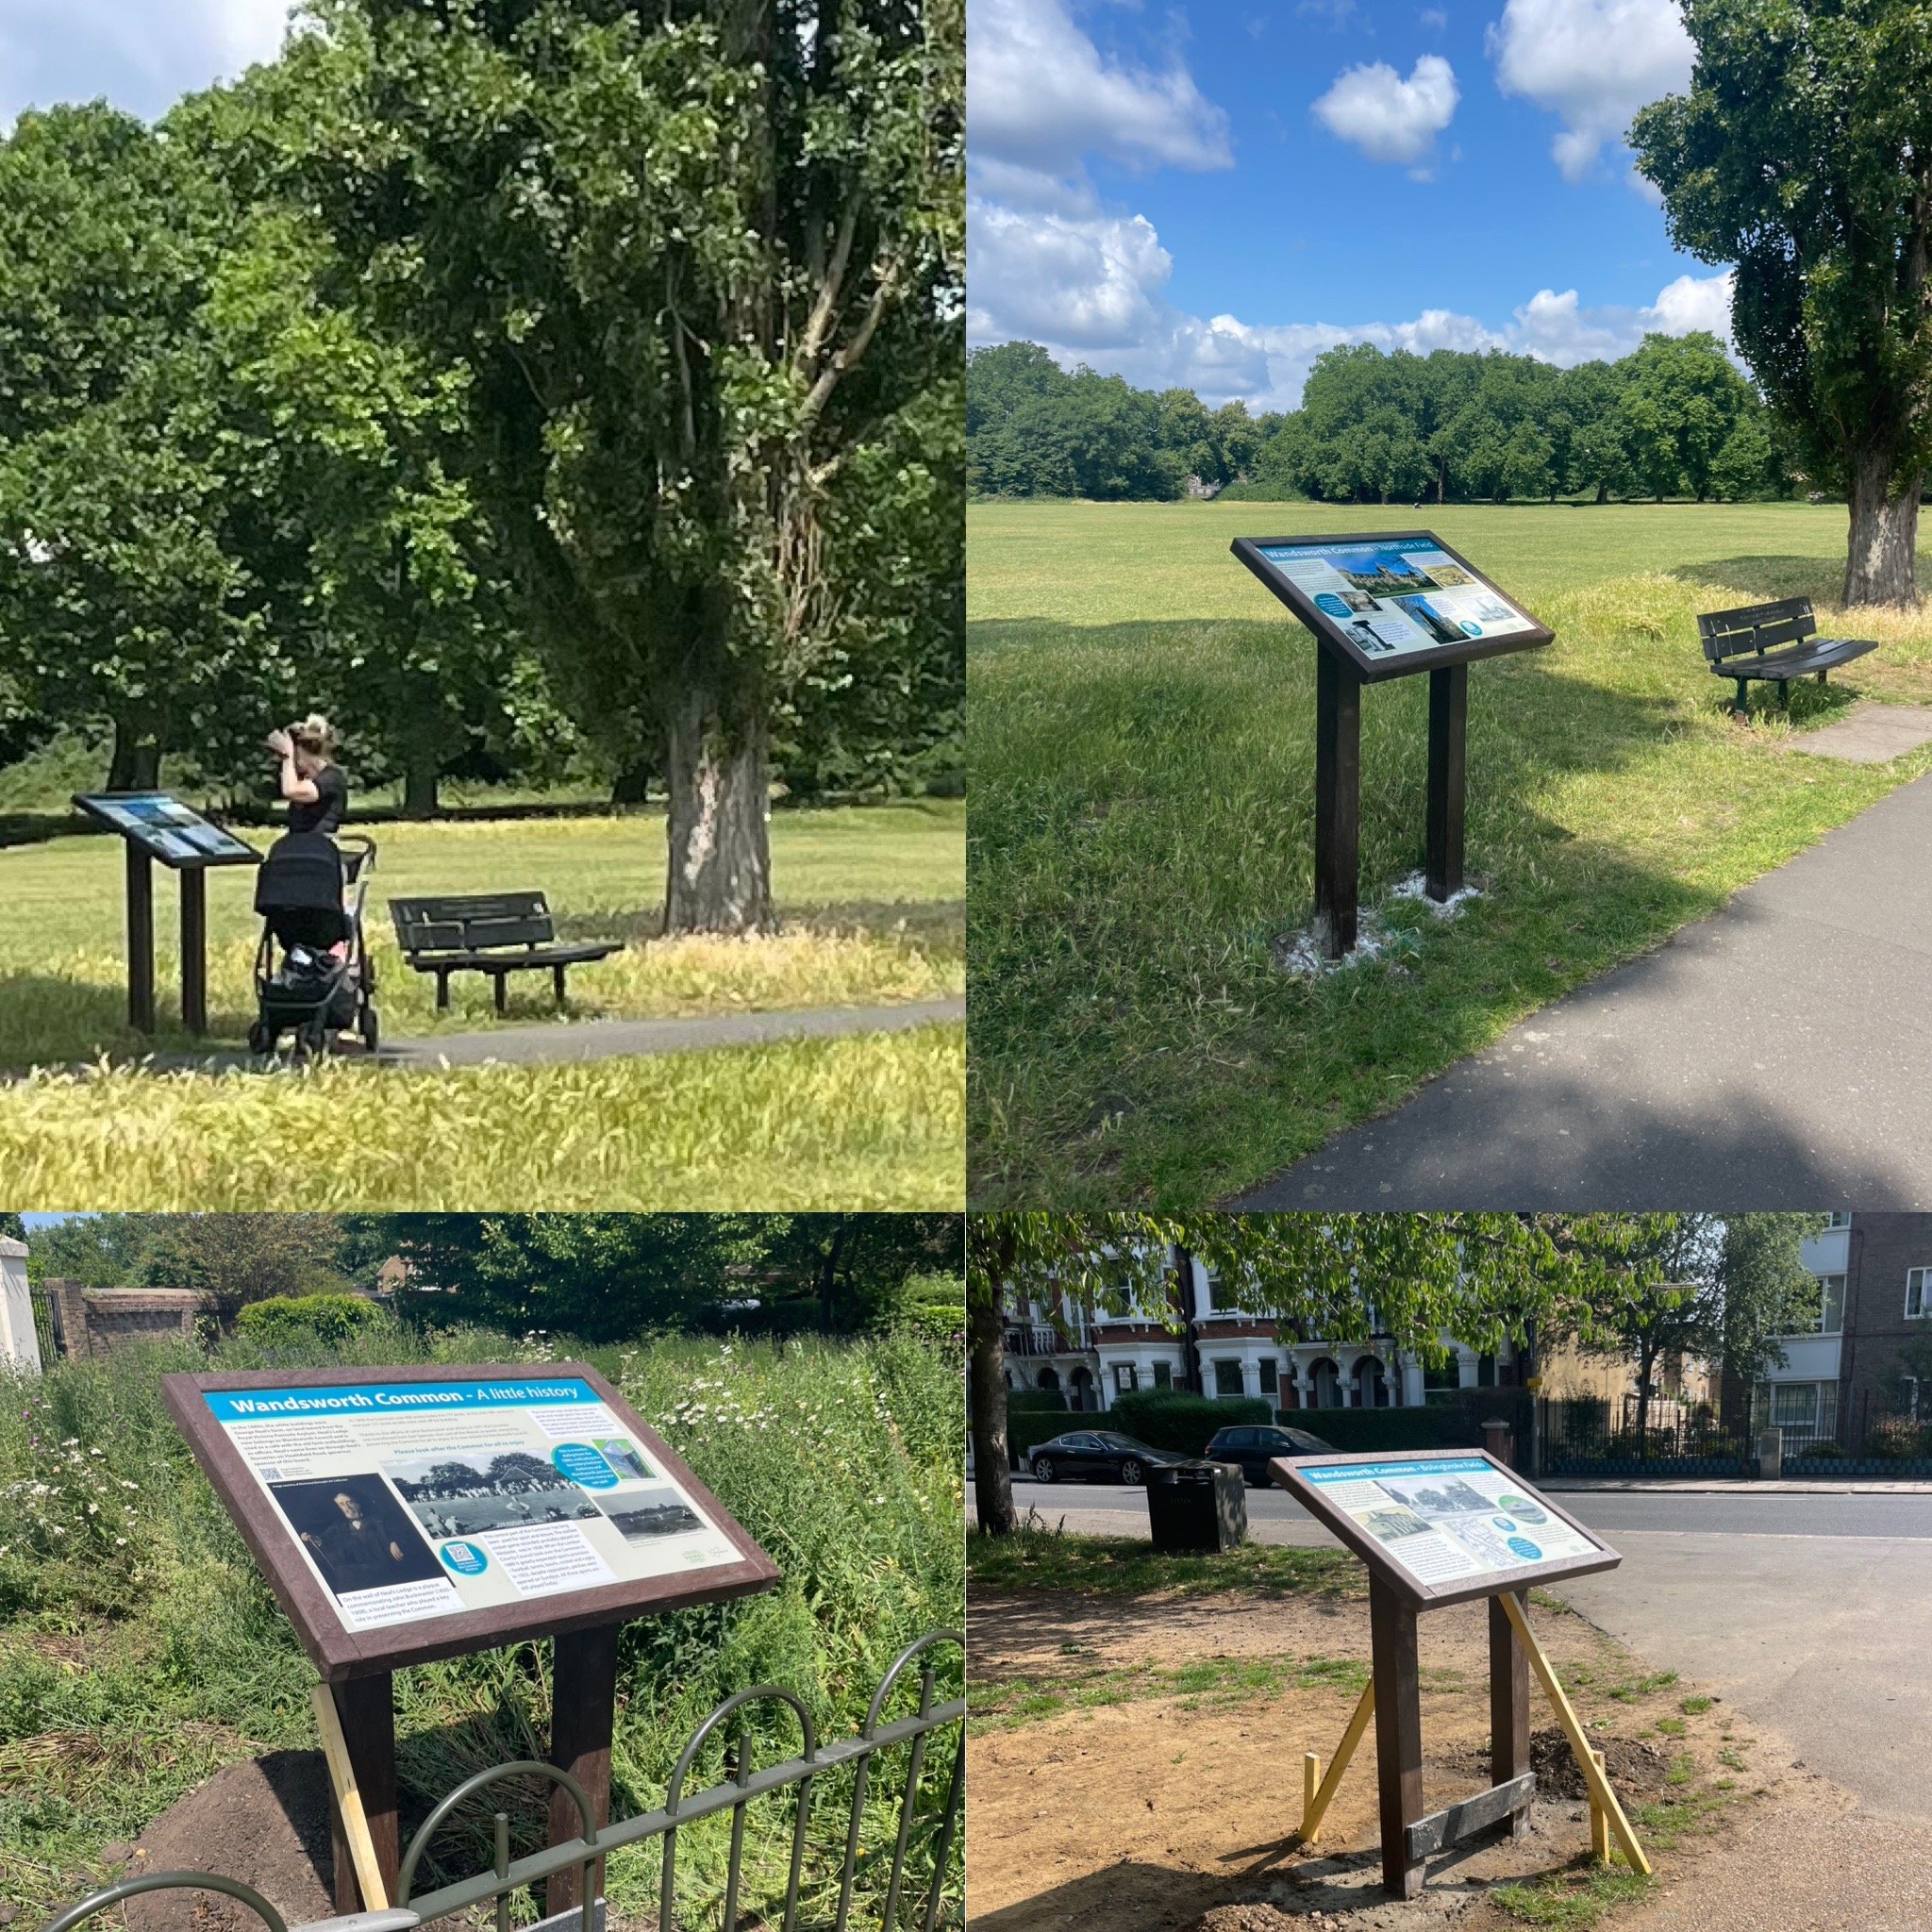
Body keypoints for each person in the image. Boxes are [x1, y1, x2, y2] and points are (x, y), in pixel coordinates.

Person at [301, 1487, 416, 1595]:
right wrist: (315, 1539)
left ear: (358, 1503)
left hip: (386, 1574)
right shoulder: (337, 1528)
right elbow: (326, 1542)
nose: (347, 1508)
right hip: (359, 1579)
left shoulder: (379, 1520)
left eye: (349, 1502)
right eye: (341, 1505)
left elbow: (400, 1532)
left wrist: (393, 1541)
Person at [267, 714, 348, 836]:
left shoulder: (332, 778)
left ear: (300, 755)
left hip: (318, 849)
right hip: (300, 847)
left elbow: (291, 790)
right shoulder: (306, 780)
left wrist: (287, 755)